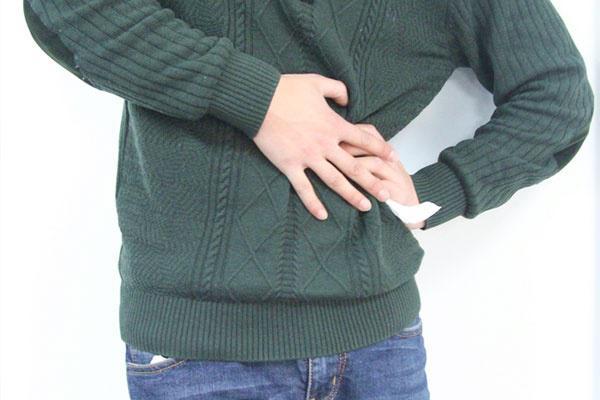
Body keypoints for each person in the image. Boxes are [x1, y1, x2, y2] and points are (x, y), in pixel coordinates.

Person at [23, 0, 594, 399]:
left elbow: (557, 96)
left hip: (377, 341)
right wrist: (259, 100)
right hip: (201, 345)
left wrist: (432, 195)